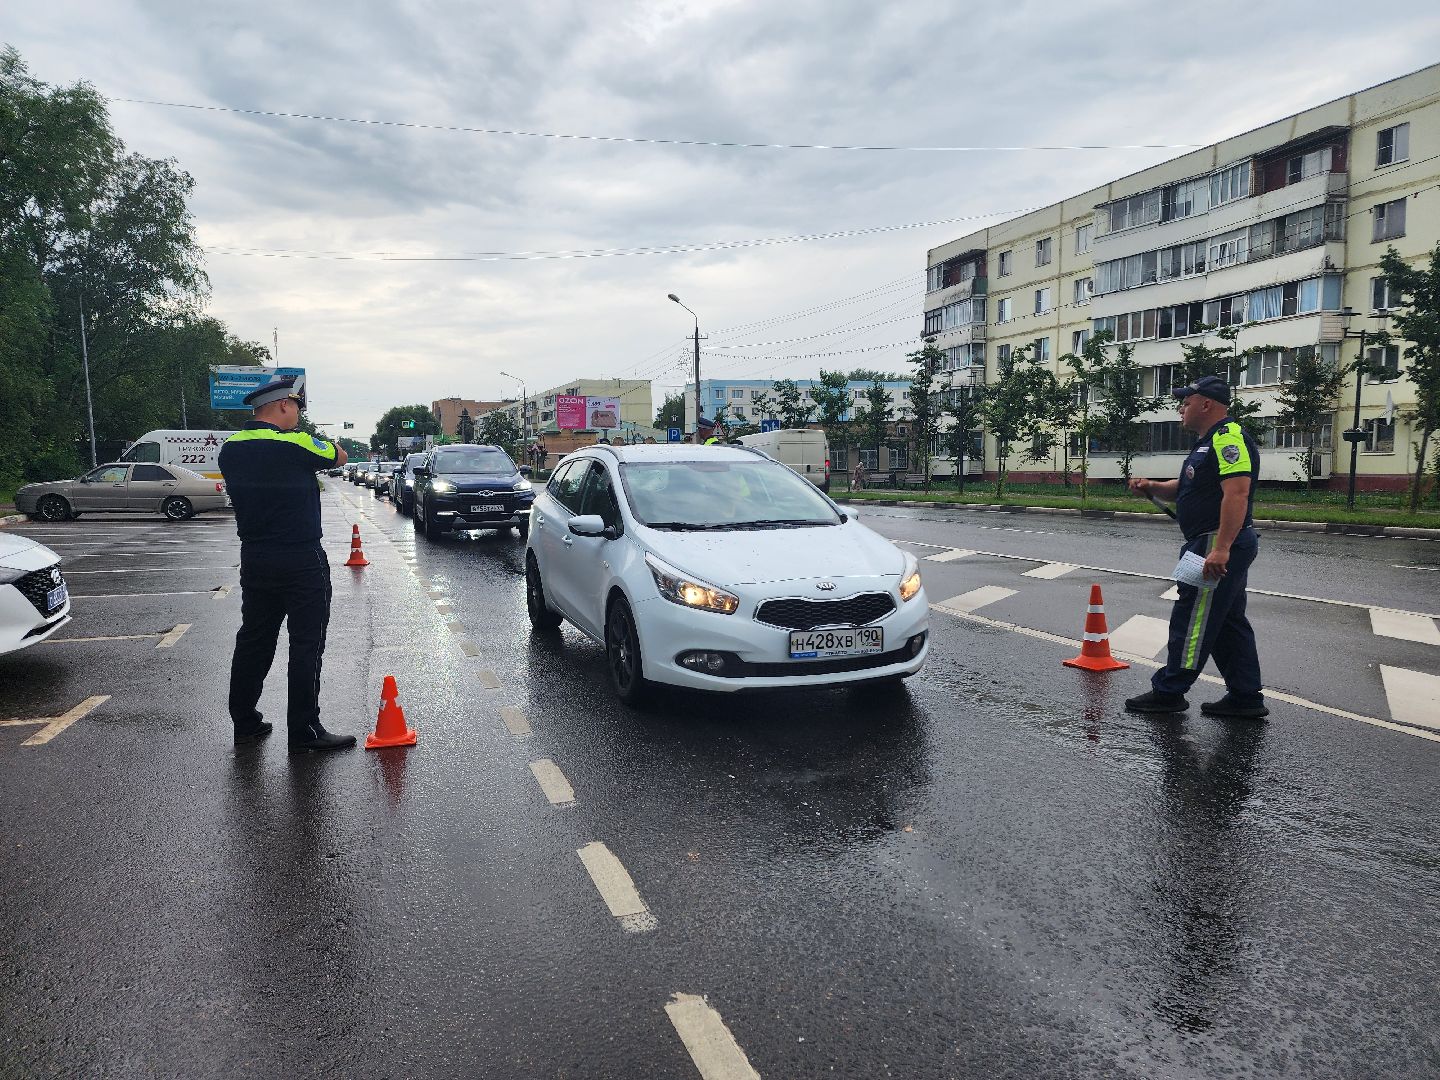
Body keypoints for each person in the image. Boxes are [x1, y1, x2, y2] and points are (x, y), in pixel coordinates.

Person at [220, 375, 356, 751]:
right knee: (306, 642)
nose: (297, 412)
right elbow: (338, 456)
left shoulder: (231, 448)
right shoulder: (295, 443)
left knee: (254, 640)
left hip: (256, 557)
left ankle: (245, 721)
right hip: (300, 558)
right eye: (296, 406)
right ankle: (304, 730)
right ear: (283, 405)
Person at [1124, 375, 1267, 719]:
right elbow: (1188, 488)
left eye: (1186, 403)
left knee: (1193, 618)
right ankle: (1245, 696)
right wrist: (1154, 486)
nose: (1180, 409)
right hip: (1210, 540)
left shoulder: (1229, 438)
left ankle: (1169, 691)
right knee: (1228, 623)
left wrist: (1220, 547)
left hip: (1213, 541)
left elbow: (1237, 493)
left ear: (1207, 404)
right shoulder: (1208, 443)